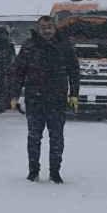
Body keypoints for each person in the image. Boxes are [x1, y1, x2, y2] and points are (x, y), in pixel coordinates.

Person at [10, 16, 80, 184]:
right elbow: (19, 72)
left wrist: (74, 95)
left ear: (54, 28)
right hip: (35, 99)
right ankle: (33, 172)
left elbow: (74, 71)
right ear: (38, 29)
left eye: (49, 27)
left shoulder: (65, 46)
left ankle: (55, 172)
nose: (46, 30)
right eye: (43, 27)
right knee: (34, 137)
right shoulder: (29, 46)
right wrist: (14, 96)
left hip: (58, 100)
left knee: (57, 137)